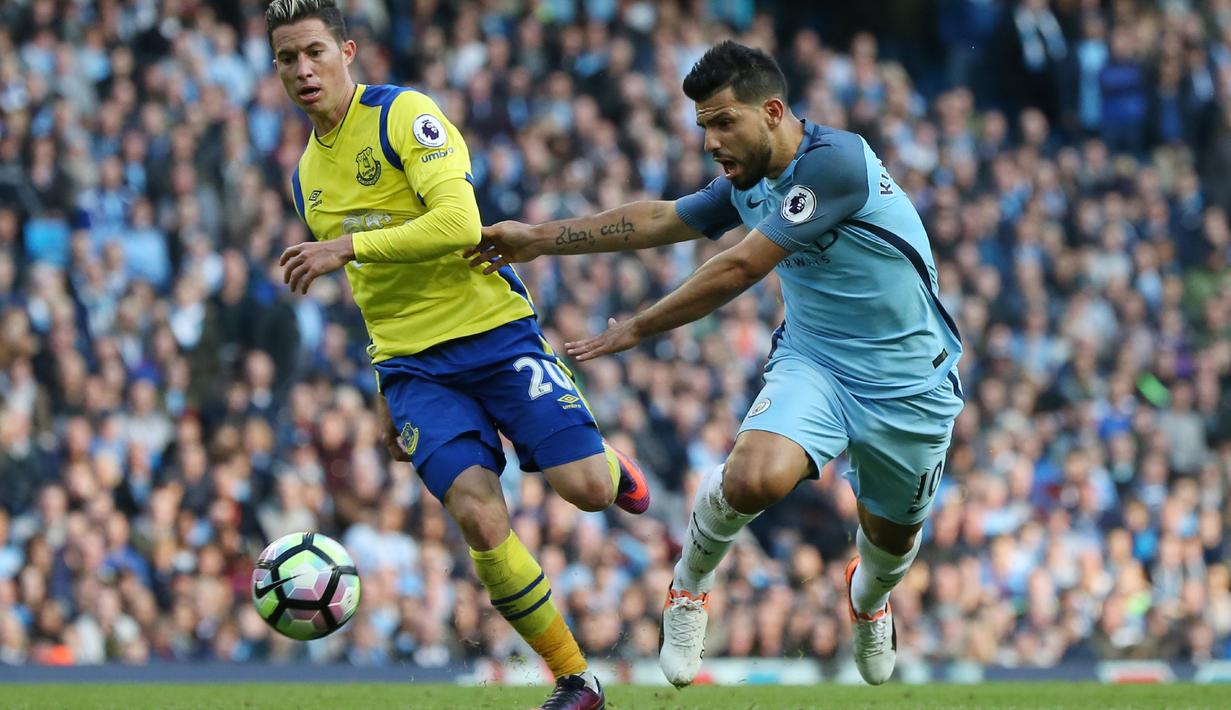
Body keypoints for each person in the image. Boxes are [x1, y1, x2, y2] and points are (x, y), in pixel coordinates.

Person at [471, 40, 965, 687]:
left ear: (772, 111)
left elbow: (740, 266)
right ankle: (688, 585)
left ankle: (868, 599)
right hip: (815, 363)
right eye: (702, 126)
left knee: (890, 546)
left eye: (723, 121)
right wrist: (538, 238)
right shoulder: (747, 183)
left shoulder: (837, 162)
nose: (710, 141)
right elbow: (655, 219)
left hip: (911, 385)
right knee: (753, 477)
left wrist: (640, 327)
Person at [267, 2, 650, 707]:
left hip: (495, 336)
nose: (302, 69)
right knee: (477, 514)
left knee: (588, 493)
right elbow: (369, 295)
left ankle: (609, 464)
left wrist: (345, 244)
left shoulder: (401, 116)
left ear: (347, 51)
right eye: (286, 58)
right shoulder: (305, 178)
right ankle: (574, 678)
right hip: (413, 367)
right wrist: (387, 392)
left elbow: (459, 222)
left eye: (314, 51)